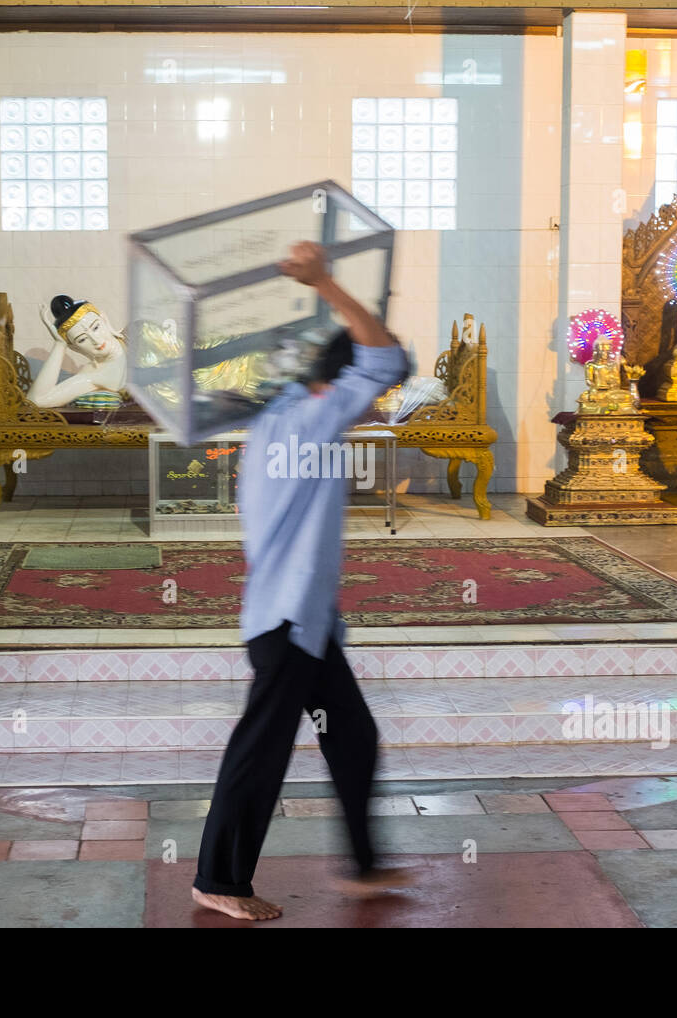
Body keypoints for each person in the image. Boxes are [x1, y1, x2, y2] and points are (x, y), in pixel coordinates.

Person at [191, 241, 413, 921]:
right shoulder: (314, 419)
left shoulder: (275, 420)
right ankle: (219, 880)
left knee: (351, 733)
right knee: (260, 750)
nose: (374, 404)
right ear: (338, 384)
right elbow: (387, 358)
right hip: (287, 623)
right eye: (365, 397)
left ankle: (366, 865)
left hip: (301, 622)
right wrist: (326, 283)